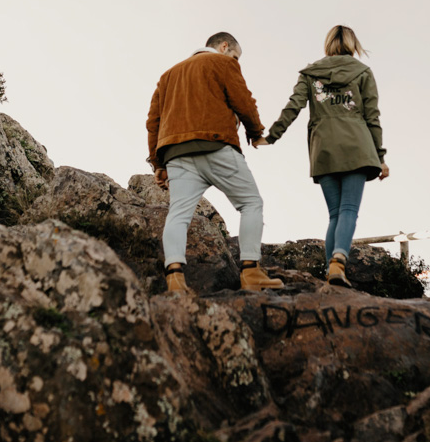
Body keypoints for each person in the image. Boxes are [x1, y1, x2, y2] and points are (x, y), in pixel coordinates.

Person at [146, 32, 284, 294]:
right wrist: (255, 133)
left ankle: (175, 280)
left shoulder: (168, 76)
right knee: (250, 203)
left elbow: (153, 122)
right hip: (216, 144)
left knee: (178, 215)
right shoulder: (223, 64)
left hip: (176, 154)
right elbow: (243, 100)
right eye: (235, 55)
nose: (236, 61)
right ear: (223, 47)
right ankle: (251, 272)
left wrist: (158, 164)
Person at [255, 25, 389, 287]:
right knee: (349, 210)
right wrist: (381, 156)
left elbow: (293, 107)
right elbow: (372, 116)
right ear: (352, 44)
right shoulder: (362, 72)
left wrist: (271, 136)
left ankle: (332, 273)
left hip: (323, 149)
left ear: (327, 44)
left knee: (335, 214)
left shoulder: (310, 74)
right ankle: (339, 260)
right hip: (357, 147)